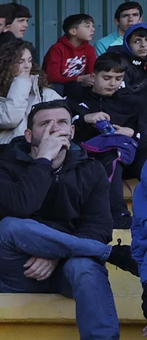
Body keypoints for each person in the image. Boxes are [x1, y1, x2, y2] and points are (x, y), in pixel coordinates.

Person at [0, 100, 124, 340]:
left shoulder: (91, 169)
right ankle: (113, 255)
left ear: (72, 131)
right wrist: (43, 162)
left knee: (85, 265)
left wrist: (55, 255)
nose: (53, 128)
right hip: (17, 271)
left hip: (67, 270)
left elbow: (98, 226)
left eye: (60, 123)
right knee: (10, 226)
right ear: (29, 135)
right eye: (45, 124)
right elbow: (18, 209)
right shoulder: (0, 168)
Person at [68, 52, 145, 224]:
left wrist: (131, 133)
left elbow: (143, 134)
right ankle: (118, 214)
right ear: (94, 76)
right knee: (111, 158)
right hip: (93, 158)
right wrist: (85, 119)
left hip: (131, 156)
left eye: (118, 78)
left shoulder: (132, 102)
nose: (113, 83)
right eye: (107, 77)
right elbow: (66, 129)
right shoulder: (78, 97)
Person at [0, 38, 63, 147]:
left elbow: (63, 118)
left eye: (29, 60)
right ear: (6, 65)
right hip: (8, 152)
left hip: (41, 148)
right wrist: (21, 82)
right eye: (20, 61)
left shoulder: (43, 92)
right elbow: (9, 119)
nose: (27, 66)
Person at [43, 13, 98, 93]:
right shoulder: (57, 49)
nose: (93, 29)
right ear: (73, 31)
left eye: (93, 26)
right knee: (57, 86)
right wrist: (79, 78)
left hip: (77, 86)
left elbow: (91, 72)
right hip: (59, 87)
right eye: (87, 26)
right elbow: (52, 77)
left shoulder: (89, 49)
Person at [105, 22, 147, 92]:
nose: (143, 45)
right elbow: (123, 95)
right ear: (127, 44)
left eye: (146, 40)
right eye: (137, 41)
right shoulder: (121, 64)